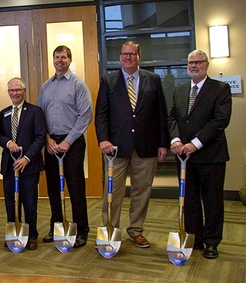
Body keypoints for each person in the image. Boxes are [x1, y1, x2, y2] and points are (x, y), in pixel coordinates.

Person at [95, 41, 169, 248]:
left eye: (132, 54)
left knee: (141, 190)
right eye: (124, 54)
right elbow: (101, 114)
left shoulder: (152, 80)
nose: (128, 57)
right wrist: (103, 139)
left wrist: (163, 144)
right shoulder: (109, 80)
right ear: (120, 57)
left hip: (146, 146)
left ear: (139, 56)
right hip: (115, 148)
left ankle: (136, 230)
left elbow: (161, 114)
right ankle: (110, 230)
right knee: (112, 192)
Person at [168, 49, 232, 259]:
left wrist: (195, 144)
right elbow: (172, 118)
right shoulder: (180, 89)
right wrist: (176, 140)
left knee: (212, 200)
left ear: (206, 64)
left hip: (210, 156)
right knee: (189, 199)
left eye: (198, 62)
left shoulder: (220, 89)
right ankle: (194, 237)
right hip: (184, 157)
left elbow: (220, 121)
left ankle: (211, 242)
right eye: (190, 62)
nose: (193, 66)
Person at [36, 45, 92, 248]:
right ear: (53, 60)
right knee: (53, 187)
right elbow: (39, 116)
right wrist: (47, 139)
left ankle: (82, 229)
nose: (59, 60)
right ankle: (57, 226)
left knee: (76, 187)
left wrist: (68, 141)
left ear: (69, 60)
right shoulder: (46, 86)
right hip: (51, 144)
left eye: (63, 57)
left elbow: (86, 114)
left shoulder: (78, 84)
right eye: (56, 57)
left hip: (73, 143)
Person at [0, 77, 46, 250]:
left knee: (30, 202)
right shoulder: (3, 113)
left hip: (30, 165)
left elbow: (40, 137)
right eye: (11, 90)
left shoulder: (35, 111)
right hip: (9, 165)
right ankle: (13, 233)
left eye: (18, 90)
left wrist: (27, 158)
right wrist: (8, 143)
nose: (15, 93)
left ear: (24, 91)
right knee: (11, 202)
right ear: (8, 92)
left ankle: (31, 235)